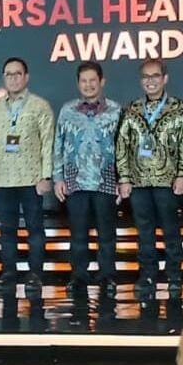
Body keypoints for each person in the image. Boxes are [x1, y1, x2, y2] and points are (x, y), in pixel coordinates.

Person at [116, 58, 183, 301]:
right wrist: (124, 178)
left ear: (164, 78)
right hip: (138, 182)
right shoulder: (132, 109)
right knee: (144, 233)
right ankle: (147, 276)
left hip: (167, 182)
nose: (150, 81)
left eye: (155, 76)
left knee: (171, 231)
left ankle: (174, 277)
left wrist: (182, 174)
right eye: (146, 77)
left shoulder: (178, 108)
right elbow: (122, 145)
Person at [0, 57, 55, 296]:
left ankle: (35, 274)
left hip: (32, 179)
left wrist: (46, 176)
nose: (13, 78)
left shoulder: (40, 106)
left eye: (17, 74)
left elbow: (48, 143)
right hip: (3, 179)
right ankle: (8, 274)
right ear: (4, 78)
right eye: (8, 74)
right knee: (7, 230)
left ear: (26, 77)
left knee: (35, 229)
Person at [53, 61, 122, 298]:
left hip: (106, 181)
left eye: (93, 80)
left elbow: (124, 147)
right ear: (78, 84)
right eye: (84, 81)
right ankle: (78, 277)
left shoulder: (115, 110)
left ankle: (107, 276)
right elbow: (59, 144)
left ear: (102, 82)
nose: (89, 85)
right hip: (76, 181)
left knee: (106, 234)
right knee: (78, 234)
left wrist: (123, 179)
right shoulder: (67, 110)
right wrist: (58, 177)